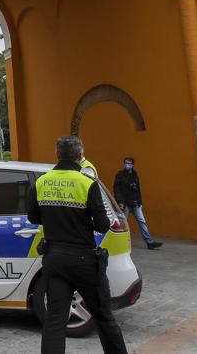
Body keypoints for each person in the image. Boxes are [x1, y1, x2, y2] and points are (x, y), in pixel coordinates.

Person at [28, 136, 127, 354]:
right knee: (103, 317)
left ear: (57, 155)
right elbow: (102, 225)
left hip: (54, 259)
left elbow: (33, 217)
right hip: (84, 261)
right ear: (80, 156)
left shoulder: (41, 182)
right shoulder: (87, 183)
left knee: (55, 321)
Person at [113, 156, 162, 250]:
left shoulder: (135, 174)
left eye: (129, 163)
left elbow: (138, 189)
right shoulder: (120, 175)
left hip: (135, 203)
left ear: (133, 165)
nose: (127, 165)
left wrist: (140, 202)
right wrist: (119, 201)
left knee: (142, 222)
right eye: (126, 163)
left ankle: (150, 242)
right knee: (123, 224)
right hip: (125, 204)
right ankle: (119, 243)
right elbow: (116, 189)